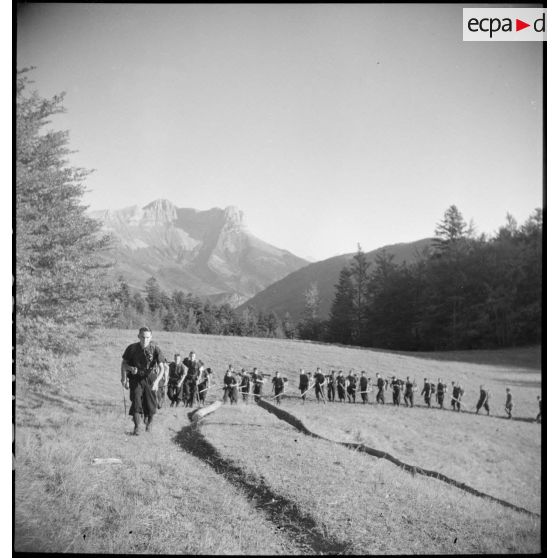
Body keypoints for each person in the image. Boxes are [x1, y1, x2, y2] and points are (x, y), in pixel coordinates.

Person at [121, 326, 165, 435]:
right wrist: (126, 375)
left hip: (150, 379)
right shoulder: (131, 348)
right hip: (135, 379)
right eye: (143, 337)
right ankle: (137, 427)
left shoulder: (155, 349)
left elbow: (162, 368)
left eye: (147, 337)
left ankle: (149, 423)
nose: (145, 340)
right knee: (136, 401)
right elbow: (124, 364)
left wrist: (156, 382)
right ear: (138, 336)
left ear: (151, 337)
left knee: (150, 405)